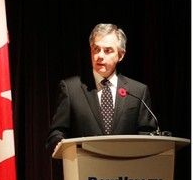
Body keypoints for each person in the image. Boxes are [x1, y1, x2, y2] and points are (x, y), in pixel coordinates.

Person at [46, 23, 156, 153]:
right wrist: (62, 147)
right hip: (84, 168)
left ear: (121, 55)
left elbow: (147, 136)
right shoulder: (71, 89)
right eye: (96, 49)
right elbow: (57, 133)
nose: (100, 56)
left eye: (107, 50)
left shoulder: (137, 92)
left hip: (127, 169)